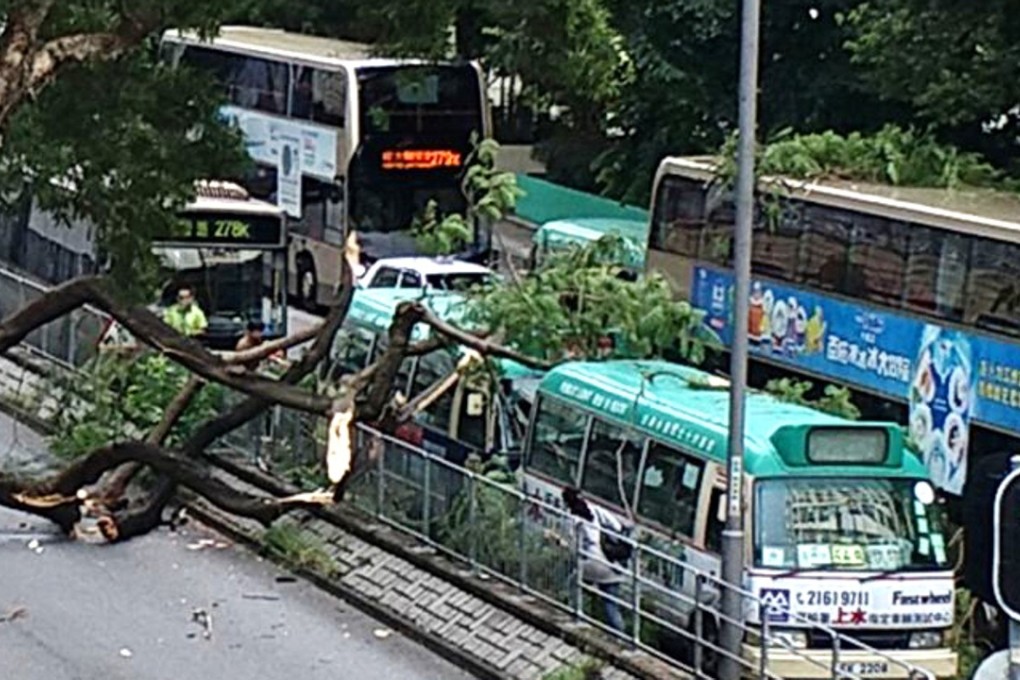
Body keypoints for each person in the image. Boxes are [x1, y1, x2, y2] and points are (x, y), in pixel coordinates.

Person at [561, 486, 626, 632]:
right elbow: (617, 526)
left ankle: (578, 618)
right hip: (608, 562)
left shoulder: (571, 518)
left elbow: (572, 545)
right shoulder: (594, 510)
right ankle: (621, 637)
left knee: (572, 585)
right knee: (611, 604)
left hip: (588, 561)